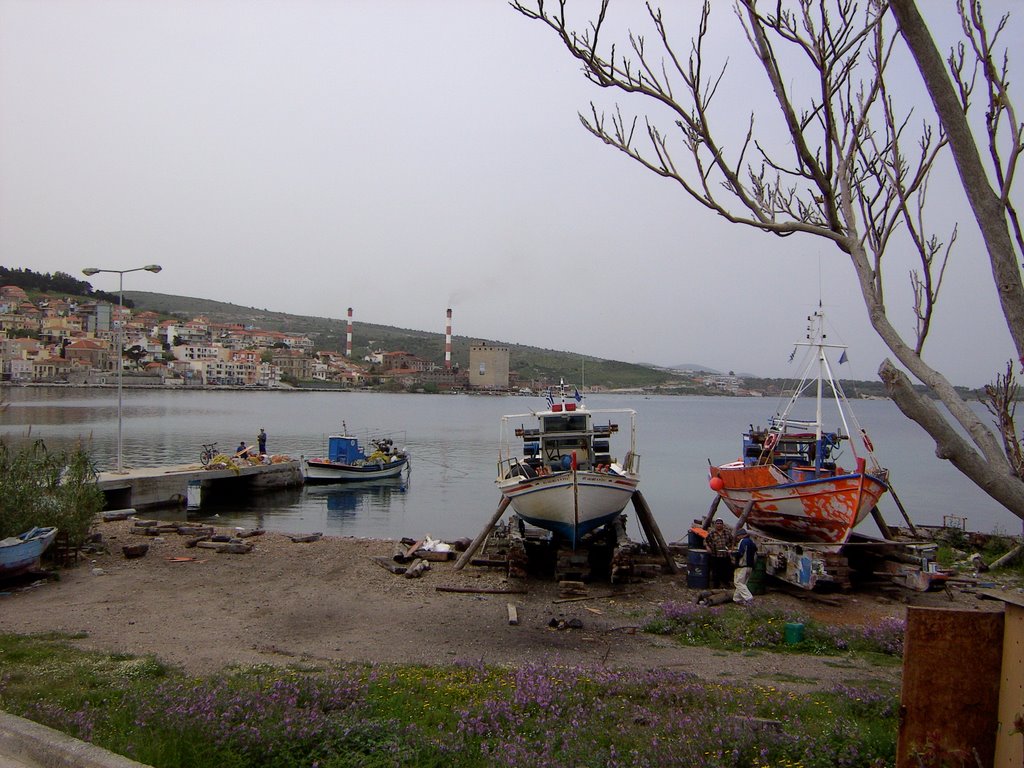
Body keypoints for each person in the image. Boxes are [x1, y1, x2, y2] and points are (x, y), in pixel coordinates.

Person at [704, 518, 735, 589]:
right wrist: (707, 547)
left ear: (723, 525)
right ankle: (716, 586)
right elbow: (705, 541)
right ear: (715, 525)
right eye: (717, 523)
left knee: (726, 571)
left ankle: (726, 584)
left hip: (725, 555)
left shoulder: (727, 533)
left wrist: (731, 549)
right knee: (715, 572)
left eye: (720, 523)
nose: (719, 525)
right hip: (715, 555)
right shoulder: (712, 533)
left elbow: (733, 541)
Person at [733, 529, 758, 605]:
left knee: (738, 583)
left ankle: (749, 598)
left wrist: (733, 554)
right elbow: (755, 550)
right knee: (743, 583)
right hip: (750, 566)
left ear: (741, 535)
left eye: (738, 536)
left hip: (743, 565)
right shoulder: (751, 542)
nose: (737, 538)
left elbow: (741, 553)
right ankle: (737, 598)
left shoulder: (743, 541)